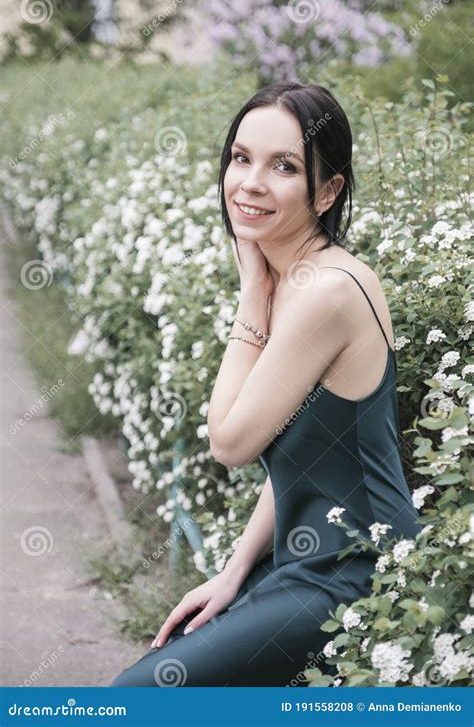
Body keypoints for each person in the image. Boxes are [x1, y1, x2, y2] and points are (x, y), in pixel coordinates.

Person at [110, 81, 420, 687]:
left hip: (358, 572)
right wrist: (234, 570)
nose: (250, 182)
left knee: (138, 697)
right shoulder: (305, 276)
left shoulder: (324, 292)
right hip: (305, 561)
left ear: (328, 192)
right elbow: (311, 452)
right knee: (164, 666)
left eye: (284, 167)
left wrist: (252, 290)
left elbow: (230, 445)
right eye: (241, 158)